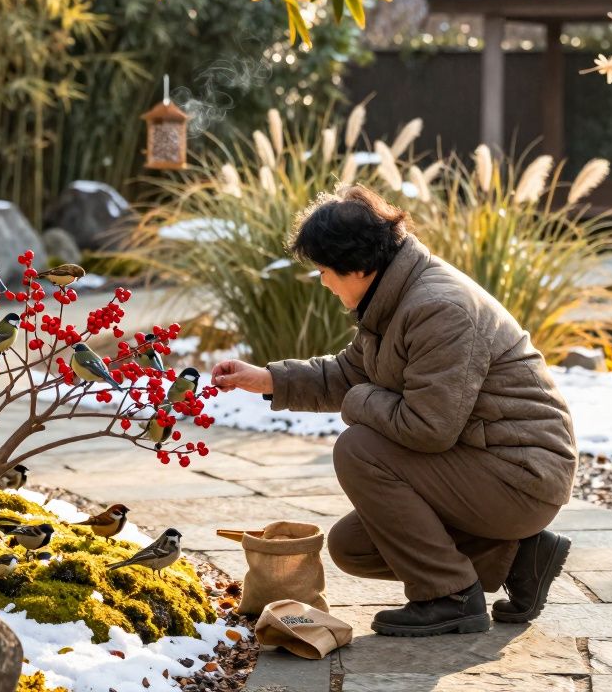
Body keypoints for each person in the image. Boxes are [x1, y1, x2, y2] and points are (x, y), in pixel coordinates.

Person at [211, 185, 577, 637]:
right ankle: (520, 559)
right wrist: (267, 379)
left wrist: (358, 401)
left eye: (325, 269)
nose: (323, 281)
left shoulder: (438, 308)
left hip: (521, 475)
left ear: (360, 265)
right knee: (354, 547)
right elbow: (351, 373)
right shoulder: (395, 294)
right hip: (486, 466)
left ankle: (449, 597)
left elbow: (427, 428)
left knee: (360, 449)